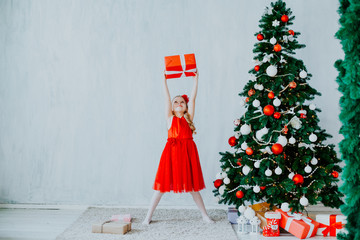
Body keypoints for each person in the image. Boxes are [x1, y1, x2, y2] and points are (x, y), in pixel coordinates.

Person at [142, 70, 213, 225]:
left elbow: (193, 98)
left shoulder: (188, 118)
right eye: (176, 102)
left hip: (187, 153)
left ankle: (204, 215)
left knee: (193, 187)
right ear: (172, 108)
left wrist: (196, 79)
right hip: (171, 154)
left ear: (186, 107)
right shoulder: (170, 118)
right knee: (160, 188)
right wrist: (164, 81)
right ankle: (148, 216)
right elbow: (166, 98)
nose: (179, 103)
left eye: (182, 102)